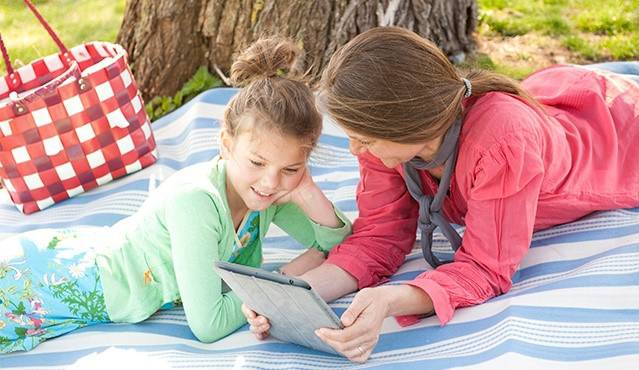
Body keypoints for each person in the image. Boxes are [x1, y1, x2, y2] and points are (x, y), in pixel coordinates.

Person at [242, 27, 639, 362]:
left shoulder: (501, 144)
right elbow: (379, 237)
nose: (354, 151)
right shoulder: (389, 145)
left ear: (408, 125)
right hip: (549, 104)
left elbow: (486, 268)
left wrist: (389, 301)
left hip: (616, 137)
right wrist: (297, 293)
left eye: (363, 139)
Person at [0, 37, 351, 353]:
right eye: (257, 162)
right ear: (226, 145)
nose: (271, 181)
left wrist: (306, 191)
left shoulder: (266, 196)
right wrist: (279, 284)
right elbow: (208, 324)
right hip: (71, 281)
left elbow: (339, 245)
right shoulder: (196, 202)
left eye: (290, 169)